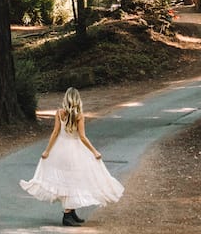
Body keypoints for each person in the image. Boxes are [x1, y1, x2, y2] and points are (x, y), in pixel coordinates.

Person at [20, 87, 124, 226]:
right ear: (77, 99)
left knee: (69, 179)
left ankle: (72, 211)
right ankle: (67, 215)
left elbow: (55, 133)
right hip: (74, 150)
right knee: (74, 179)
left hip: (60, 149)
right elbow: (82, 136)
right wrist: (94, 151)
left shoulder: (59, 112)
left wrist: (48, 150)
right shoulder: (79, 115)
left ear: (66, 98)